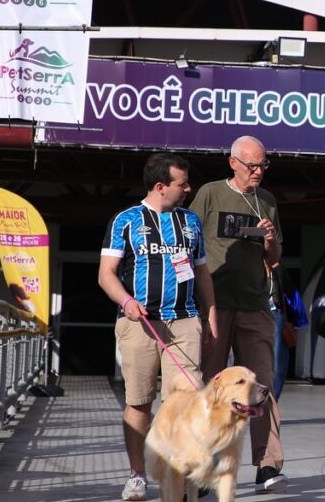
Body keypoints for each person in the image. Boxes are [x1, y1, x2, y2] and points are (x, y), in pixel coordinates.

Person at [98, 153, 217, 501]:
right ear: (161, 186)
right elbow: (106, 274)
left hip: (184, 320)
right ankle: (137, 475)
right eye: (183, 183)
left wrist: (209, 316)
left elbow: (202, 272)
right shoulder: (126, 221)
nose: (188, 188)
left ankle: (179, 474)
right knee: (139, 402)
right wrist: (126, 301)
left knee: (185, 401)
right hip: (140, 323)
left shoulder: (191, 222)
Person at [189, 135, 287, 494]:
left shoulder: (268, 201)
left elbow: (273, 260)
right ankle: (203, 466)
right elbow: (190, 242)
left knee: (263, 385)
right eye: (252, 165)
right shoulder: (210, 194)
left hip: (255, 305)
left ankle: (267, 464)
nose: (258, 171)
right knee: (211, 386)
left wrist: (270, 240)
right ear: (233, 163)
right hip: (214, 305)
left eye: (263, 165)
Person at [270, 260, 305, 400]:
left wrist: (277, 266)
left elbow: (289, 289)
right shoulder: (250, 264)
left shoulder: (277, 268)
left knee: (278, 362)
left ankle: (271, 402)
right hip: (252, 313)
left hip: (275, 314)